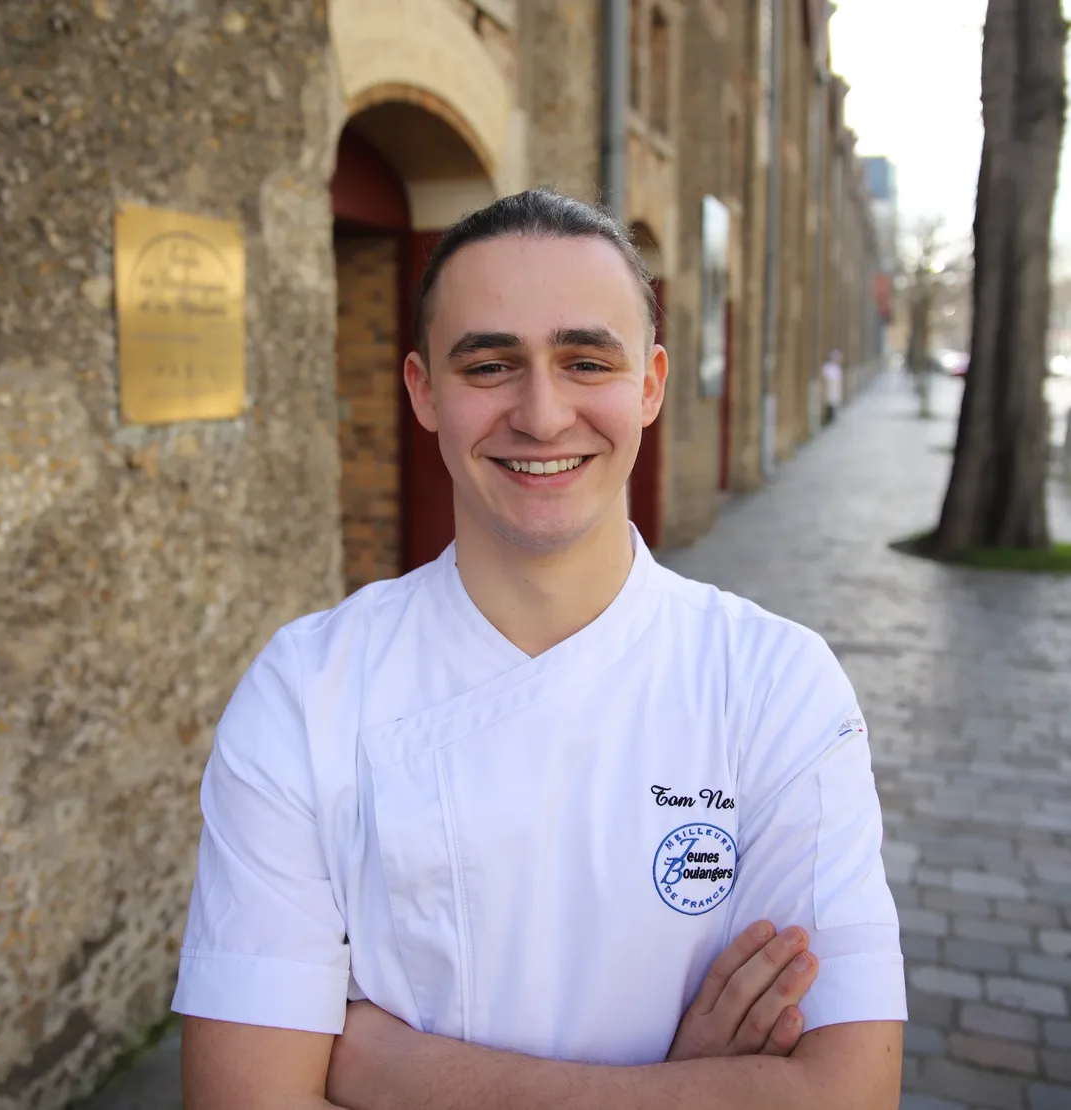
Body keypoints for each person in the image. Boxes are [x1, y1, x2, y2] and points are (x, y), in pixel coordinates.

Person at [172, 189, 905, 1110]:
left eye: (586, 359)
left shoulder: (774, 686)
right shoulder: (305, 692)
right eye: (489, 366)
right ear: (423, 392)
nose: (544, 414)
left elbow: (851, 1095)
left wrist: (393, 1070)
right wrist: (683, 1088)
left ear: (650, 382)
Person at [821, 349, 844, 424]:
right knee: (829, 402)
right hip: (829, 388)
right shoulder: (828, 367)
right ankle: (829, 418)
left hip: (834, 388)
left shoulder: (836, 367)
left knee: (833, 402)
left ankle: (832, 417)